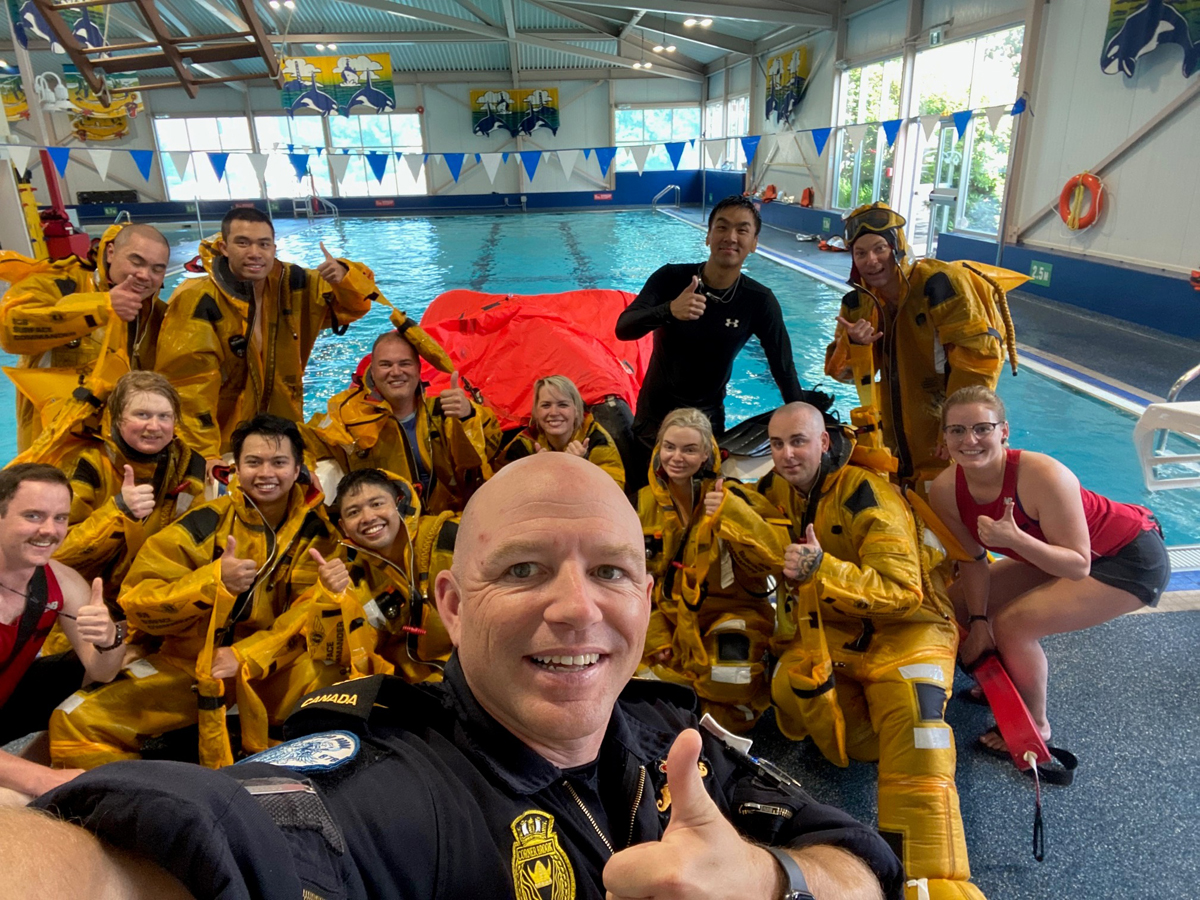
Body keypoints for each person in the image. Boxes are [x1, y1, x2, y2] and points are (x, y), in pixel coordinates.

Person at [10, 454, 904, 900]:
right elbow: (144, 861)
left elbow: (860, 859)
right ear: (451, 604)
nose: (577, 609)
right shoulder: (395, 782)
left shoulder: (669, 740)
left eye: (610, 571)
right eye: (521, 571)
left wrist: (769, 881)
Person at [759, 402, 985, 900]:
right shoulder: (777, 491)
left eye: (798, 441)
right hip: (842, 628)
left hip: (912, 629)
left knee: (917, 728)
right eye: (776, 444)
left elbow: (904, 591)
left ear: (823, 442)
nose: (787, 454)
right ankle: (867, 744)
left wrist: (822, 569)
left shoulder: (868, 495)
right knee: (789, 688)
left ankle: (933, 881)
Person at [48, 414, 338, 771]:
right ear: (236, 469)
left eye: (279, 463)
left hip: (275, 671)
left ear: (298, 470)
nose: (266, 473)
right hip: (189, 665)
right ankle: (133, 813)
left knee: (340, 682)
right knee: (75, 721)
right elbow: (138, 601)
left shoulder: (321, 534)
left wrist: (247, 656)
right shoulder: (204, 522)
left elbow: (313, 616)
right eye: (253, 462)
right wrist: (211, 583)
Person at [928, 386, 1170, 757]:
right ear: (944, 437)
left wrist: (1016, 540)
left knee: (1014, 624)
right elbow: (971, 560)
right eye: (957, 430)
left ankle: (1036, 723)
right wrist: (978, 621)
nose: (970, 440)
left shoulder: (1042, 475)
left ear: (1003, 431)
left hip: (1128, 557)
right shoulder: (945, 489)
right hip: (1054, 554)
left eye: (982, 428)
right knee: (956, 605)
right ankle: (1010, 680)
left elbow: (1077, 564)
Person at [616, 195, 824, 492]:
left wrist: (809, 429)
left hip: (707, 422)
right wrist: (669, 311)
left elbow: (783, 367)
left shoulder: (758, 301)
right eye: (722, 227)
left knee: (702, 511)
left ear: (754, 242)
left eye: (742, 230)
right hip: (654, 419)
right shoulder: (671, 279)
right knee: (642, 505)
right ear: (708, 236)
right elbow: (623, 328)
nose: (731, 237)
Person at [155, 207, 376, 465]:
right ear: (224, 248)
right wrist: (204, 455)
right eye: (243, 243)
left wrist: (344, 276)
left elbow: (356, 304)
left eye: (263, 244)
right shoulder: (197, 301)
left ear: (274, 248)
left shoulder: (291, 284)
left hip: (282, 432)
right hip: (224, 444)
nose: (254, 253)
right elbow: (188, 390)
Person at [825, 202, 1016, 492]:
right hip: (893, 437)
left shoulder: (939, 286)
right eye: (860, 253)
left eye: (880, 249)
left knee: (950, 505)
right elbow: (841, 373)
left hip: (944, 434)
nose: (871, 260)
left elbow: (980, 359)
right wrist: (855, 345)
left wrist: (955, 427)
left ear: (897, 248)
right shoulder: (858, 303)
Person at [637, 408, 783, 733]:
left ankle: (705, 722)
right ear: (659, 448)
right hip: (671, 615)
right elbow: (638, 579)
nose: (677, 457)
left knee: (730, 678)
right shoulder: (643, 503)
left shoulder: (737, 496)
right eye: (670, 447)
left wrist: (735, 517)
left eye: (689, 449)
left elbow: (776, 558)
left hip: (733, 612)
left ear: (706, 454)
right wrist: (655, 635)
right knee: (639, 680)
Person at [0, 464, 124, 804]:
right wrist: (45, 780)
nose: (49, 531)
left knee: (108, 672)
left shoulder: (61, 581)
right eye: (33, 516)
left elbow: (102, 671)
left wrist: (109, 636)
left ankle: (30, 763)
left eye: (60, 518)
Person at [40, 371, 205, 606]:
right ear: (117, 418)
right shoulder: (86, 465)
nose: (154, 426)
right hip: (84, 601)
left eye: (164, 416)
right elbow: (55, 555)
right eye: (142, 415)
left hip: (155, 596)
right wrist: (118, 511)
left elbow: (199, 544)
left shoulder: (190, 465)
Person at [0, 223, 170, 451]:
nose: (144, 275)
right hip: (55, 441)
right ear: (111, 252)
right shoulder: (61, 283)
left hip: (123, 444)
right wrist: (101, 308)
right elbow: (10, 330)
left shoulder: (157, 314)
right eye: (136, 262)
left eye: (157, 269)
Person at [308, 325, 500, 514]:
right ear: (372, 372)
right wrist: (303, 469)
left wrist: (468, 415)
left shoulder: (444, 411)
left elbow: (490, 450)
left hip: (452, 516)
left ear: (418, 370)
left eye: (404, 363)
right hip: (387, 527)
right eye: (386, 365)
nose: (396, 372)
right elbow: (305, 440)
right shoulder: (347, 416)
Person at [304, 468, 452, 684]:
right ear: (343, 527)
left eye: (377, 504)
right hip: (419, 683)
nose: (368, 517)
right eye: (353, 512)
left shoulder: (446, 538)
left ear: (399, 504)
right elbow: (342, 654)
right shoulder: (357, 576)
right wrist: (331, 599)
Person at [497, 374, 625, 489]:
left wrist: (581, 467)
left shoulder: (596, 438)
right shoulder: (525, 443)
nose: (553, 413)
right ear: (535, 412)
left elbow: (615, 491)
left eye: (563, 405)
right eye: (546, 405)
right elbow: (498, 489)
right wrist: (534, 473)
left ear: (576, 410)